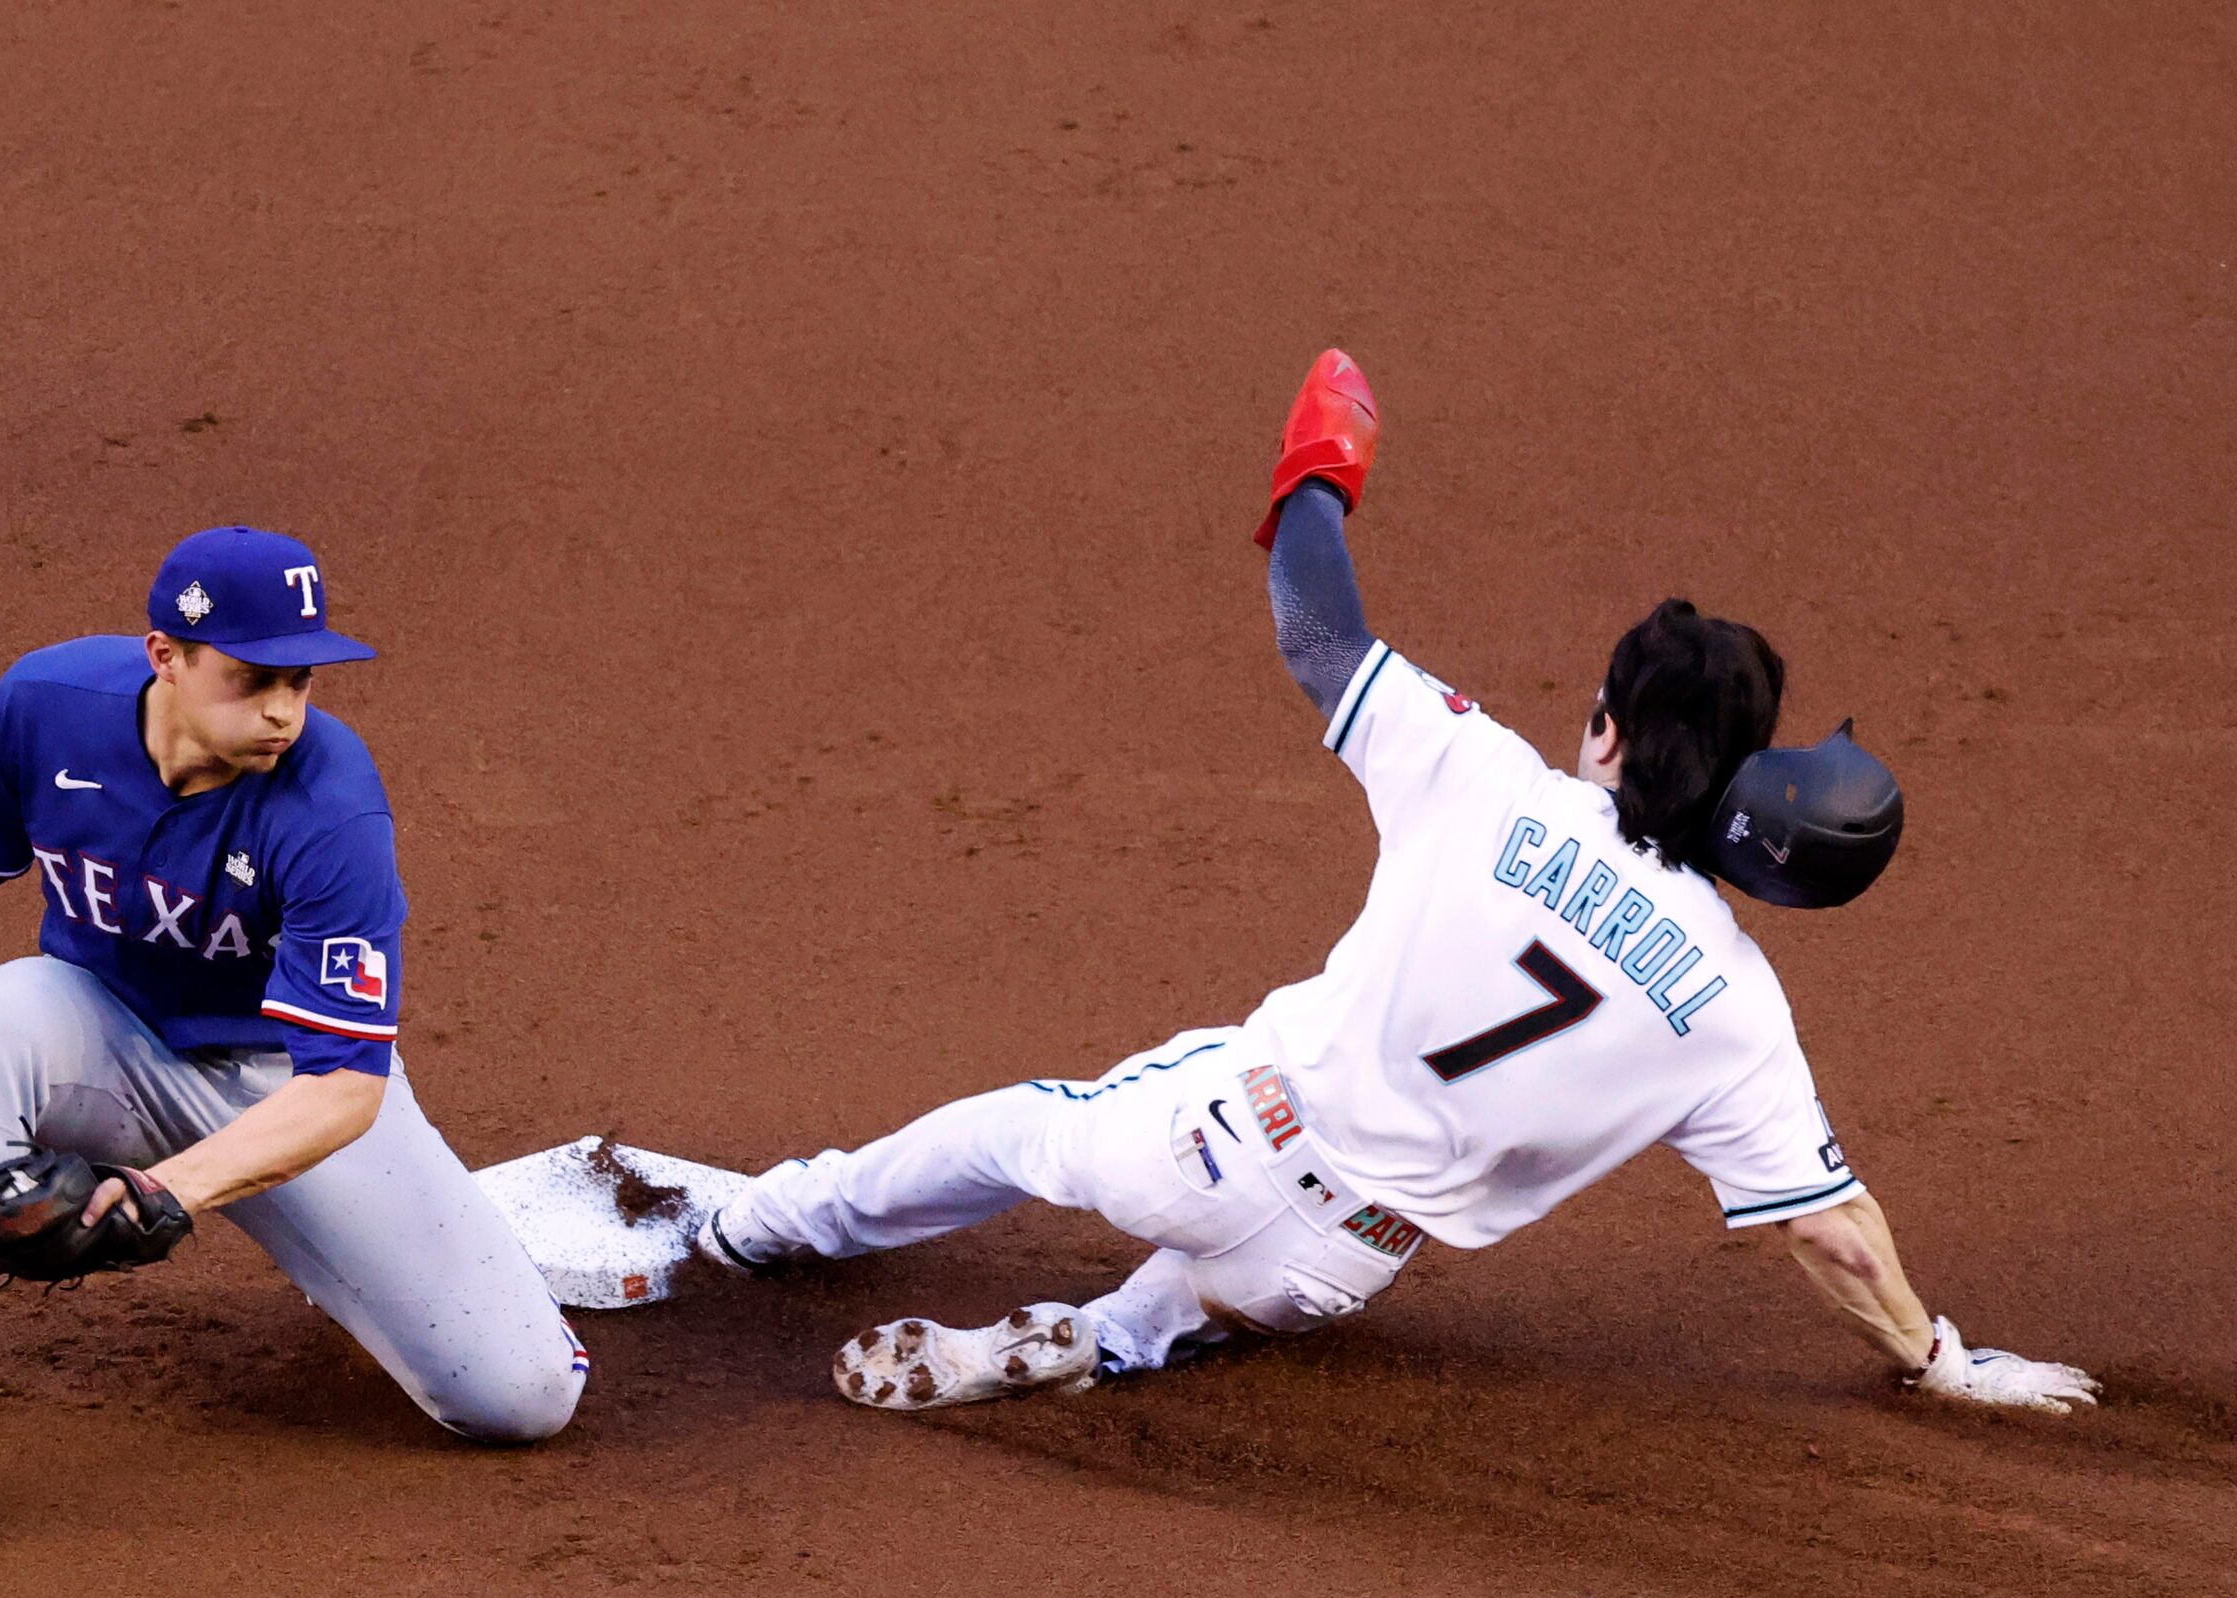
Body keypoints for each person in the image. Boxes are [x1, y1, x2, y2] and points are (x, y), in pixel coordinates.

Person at [696, 352, 2097, 1421]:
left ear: (1606, 724)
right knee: (1208, 1282)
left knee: (1023, 1130)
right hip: (1329, 1269)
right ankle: (1099, 1335)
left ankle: (759, 1222)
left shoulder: (1484, 779)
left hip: (1206, 1137)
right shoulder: (1733, 1007)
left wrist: (1316, 478)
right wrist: (1940, 1358)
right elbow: (1833, 1235)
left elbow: (1320, 631)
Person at [0, 526, 585, 1564]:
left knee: (521, 1397)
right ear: (164, 655)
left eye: (301, 681)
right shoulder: (46, 707)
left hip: (285, 1088)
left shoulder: (331, 802)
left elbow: (345, 1090)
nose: (283, 711)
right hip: (93, 1038)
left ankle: (353, 1246)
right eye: (253, 677)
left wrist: (169, 1189)